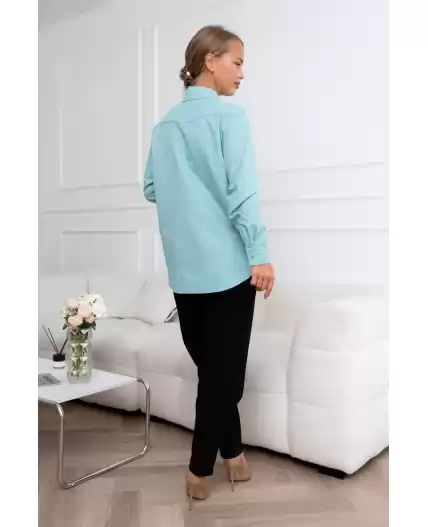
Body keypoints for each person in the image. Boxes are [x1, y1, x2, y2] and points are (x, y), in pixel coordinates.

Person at [143, 25, 275, 509]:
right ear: (210, 61)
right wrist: (259, 253)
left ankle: (233, 453)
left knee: (213, 371)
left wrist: (187, 194)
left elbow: (151, 188)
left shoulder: (164, 127)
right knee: (226, 377)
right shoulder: (229, 118)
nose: (242, 73)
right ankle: (200, 467)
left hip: (184, 271)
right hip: (229, 269)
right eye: (237, 62)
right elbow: (242, 193)